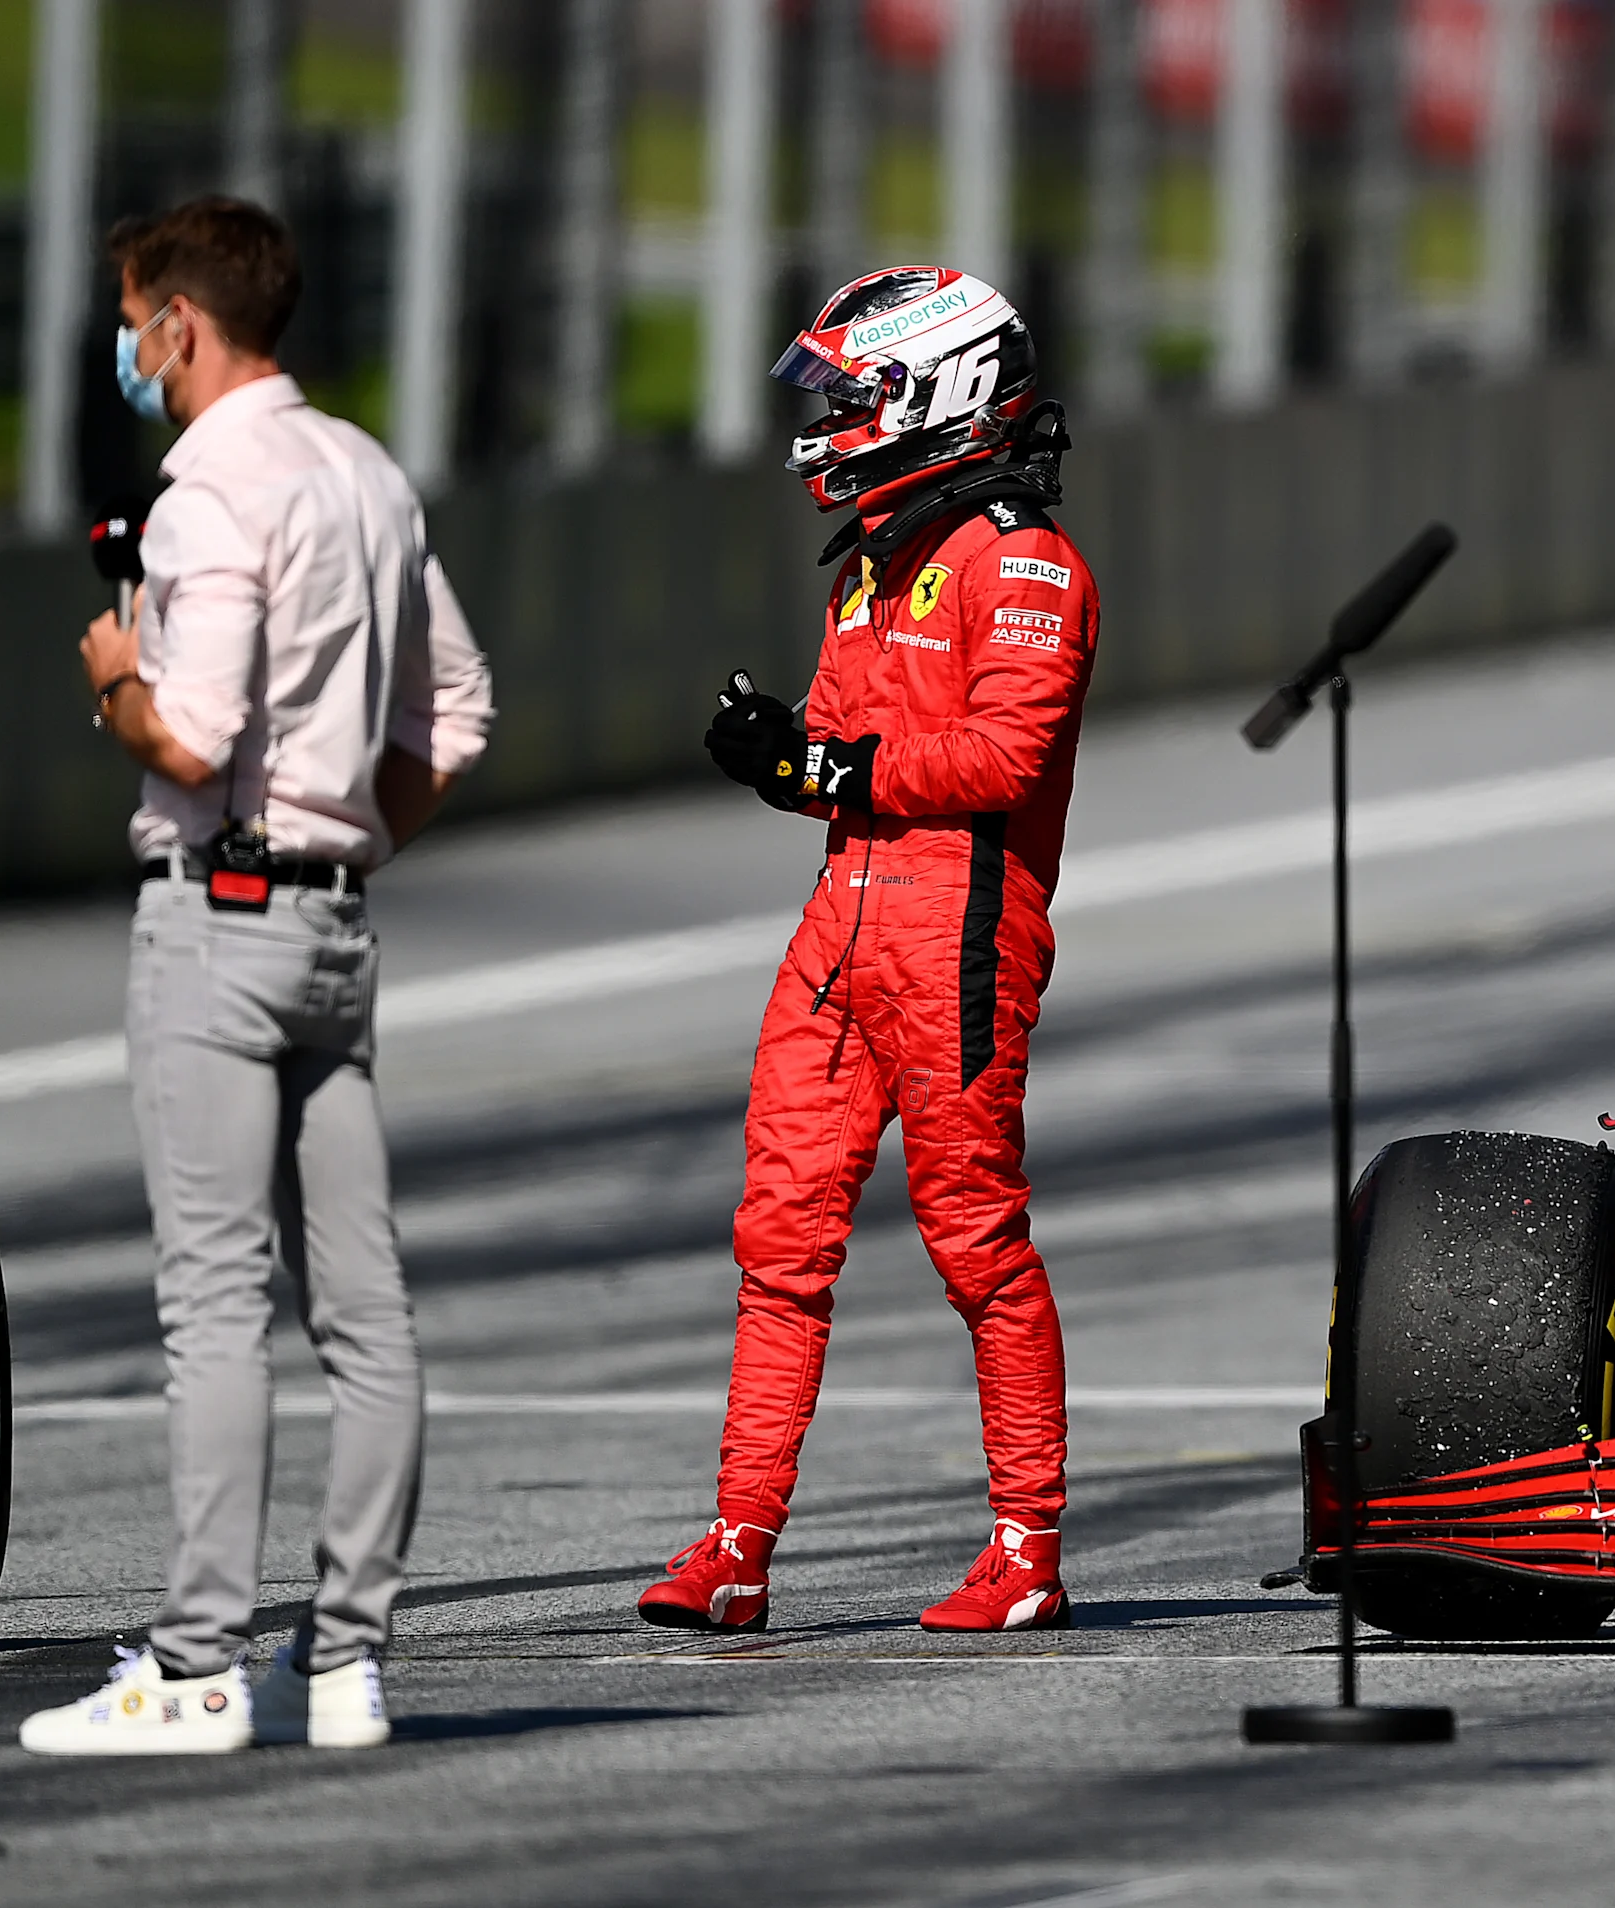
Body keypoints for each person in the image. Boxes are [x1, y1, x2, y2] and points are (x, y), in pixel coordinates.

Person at [19, 198, 494, 1755]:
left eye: (137, 321)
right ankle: (347, 1657)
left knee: (213, 1306)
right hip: (335, 925)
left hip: (217, 923)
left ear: (180, 328)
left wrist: (114, 686)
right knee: (367, 1310)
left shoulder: (210, 489)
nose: (130, 353)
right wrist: (343, 843)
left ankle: (199, 1661)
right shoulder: (363, 469)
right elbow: (461, 713)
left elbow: (197, 733)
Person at [637, 266, 1095, 1634]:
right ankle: (736, 1545)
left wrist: (831, 760)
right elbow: (842, 756)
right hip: (844, 919)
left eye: (855, 394)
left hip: (959, 924)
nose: (832, 418)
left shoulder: (1024, 562)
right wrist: (779, 756)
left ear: (939, 396)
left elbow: (1003, 757)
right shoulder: (877, 570)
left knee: (976, 1240)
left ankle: (1027, 1547)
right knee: (778, 1238)